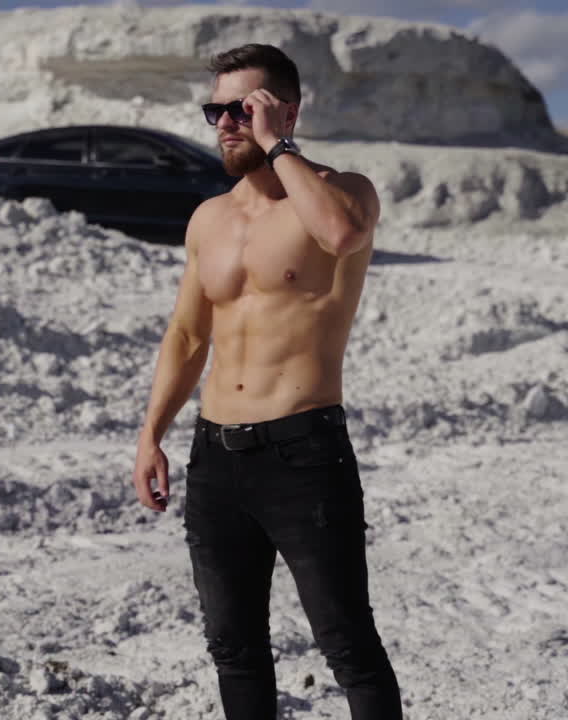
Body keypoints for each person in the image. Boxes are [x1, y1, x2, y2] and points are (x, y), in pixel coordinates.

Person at [131, 44, 403, 719]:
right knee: (234, 648)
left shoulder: (345, 192)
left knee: (347, 647)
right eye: (217, 110)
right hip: (216, 455)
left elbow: (340, 235)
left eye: (243, 108)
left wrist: (278, 145)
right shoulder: (210, 219)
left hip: (304, 454)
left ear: (286, 110)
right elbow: (189, 336)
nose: (227, 122)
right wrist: (151, 435)